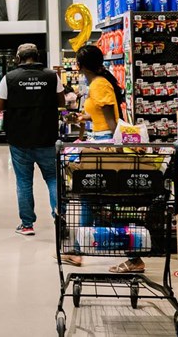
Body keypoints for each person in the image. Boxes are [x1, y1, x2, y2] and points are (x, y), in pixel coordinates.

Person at [63, 44, 145, 273]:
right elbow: (101, 114)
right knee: (92, 198)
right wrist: (82, 117)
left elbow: (111, 121)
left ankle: (133, 256)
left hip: (104, 147)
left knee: (99, 199)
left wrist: (118, 151)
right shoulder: (98, 83)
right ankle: (78, 251)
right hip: (98, 143)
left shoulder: (99, 85)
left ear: (79, 66)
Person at [0, 43, 64, 236]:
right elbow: (62, 102)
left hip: (19, 138)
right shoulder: (51, 76)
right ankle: (61, 221)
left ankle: (27, 225)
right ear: (37, 56)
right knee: (52, 178)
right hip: (47, 136)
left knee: (24, 182)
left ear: (18, 58)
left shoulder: (10, 78)